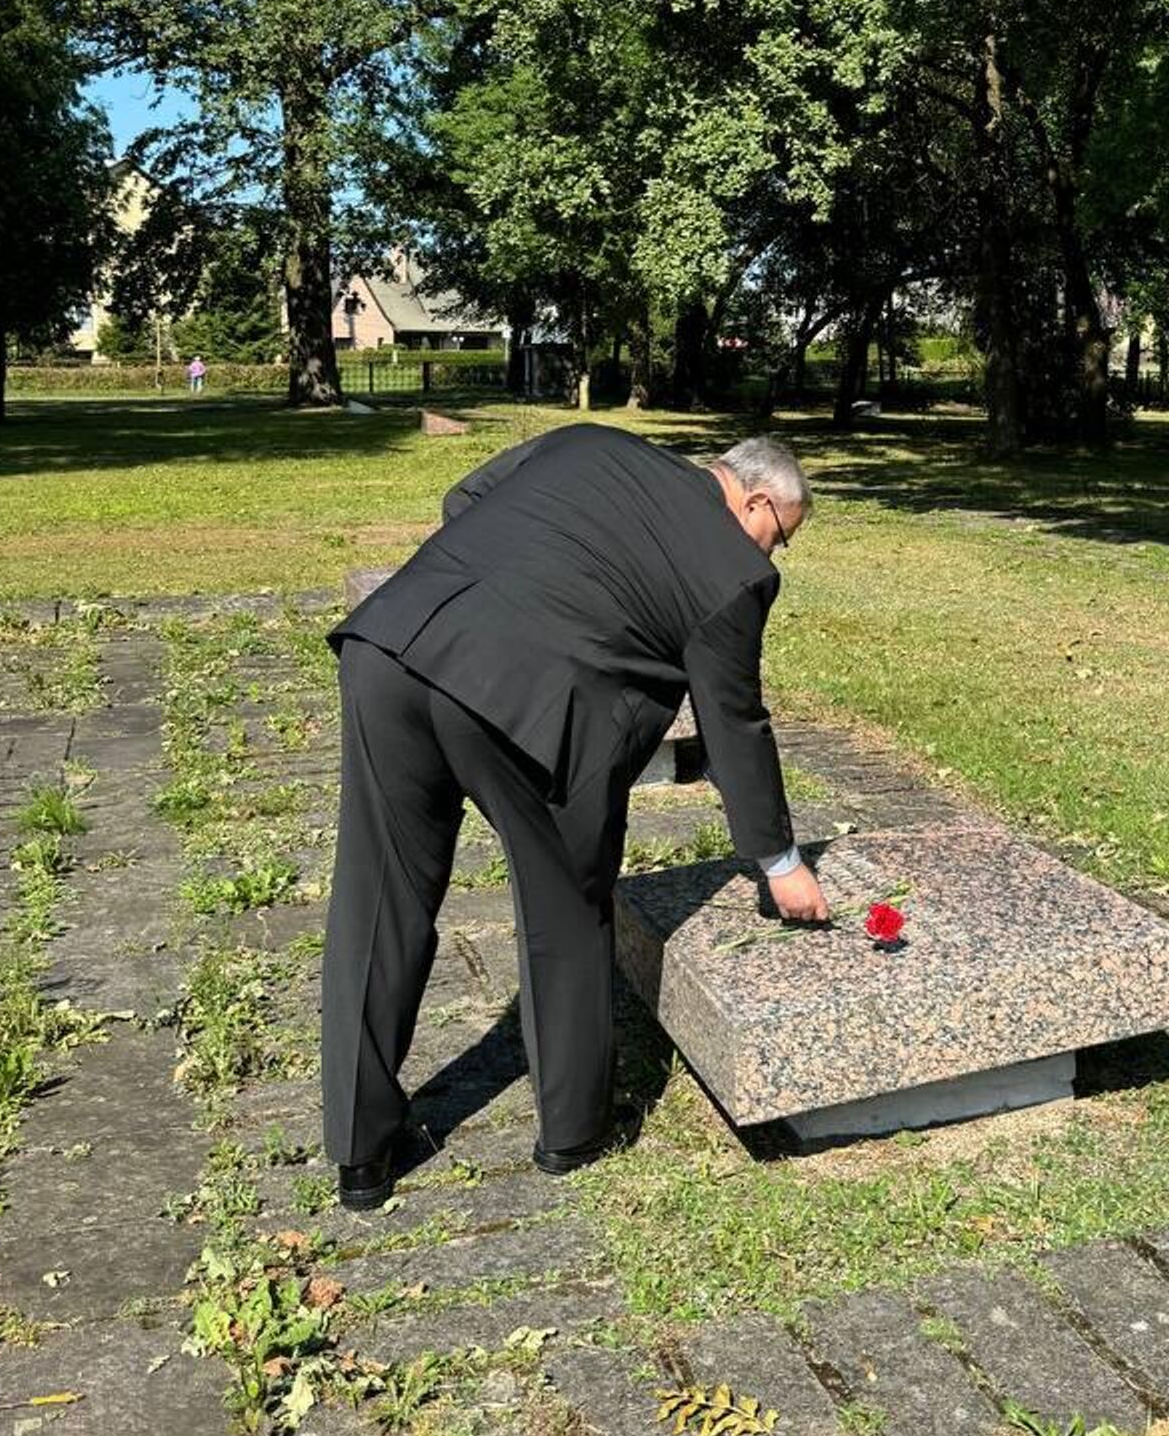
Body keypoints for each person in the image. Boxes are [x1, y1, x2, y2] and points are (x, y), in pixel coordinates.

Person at [319, 425, 822, 1208]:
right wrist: (781, 864)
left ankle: (360, 1151)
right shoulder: (734, 573)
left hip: (392, 646)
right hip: (528, 708)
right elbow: (733, 724)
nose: (771, 555)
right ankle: (572, 1129)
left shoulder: (589, 443)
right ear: (755, 498)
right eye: (779, 536)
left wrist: (508, 591)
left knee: (377, 896)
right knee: (566, 906)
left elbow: (466, 498)